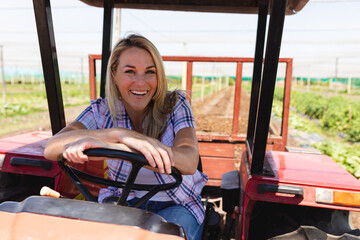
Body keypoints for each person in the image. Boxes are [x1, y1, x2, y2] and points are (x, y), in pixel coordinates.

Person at [44, 34, 208, 240]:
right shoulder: (102, 111)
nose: (141, 82)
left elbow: (189, 160)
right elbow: (51, 147)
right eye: (130, 71)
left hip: (176, 203)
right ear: (114, 75)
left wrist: (122, 147)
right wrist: (118, 134)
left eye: (150, 72)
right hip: (122, 201)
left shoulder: (175, 105)